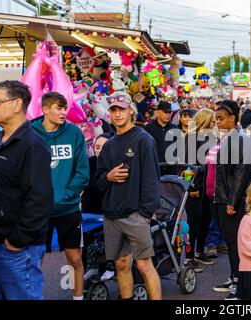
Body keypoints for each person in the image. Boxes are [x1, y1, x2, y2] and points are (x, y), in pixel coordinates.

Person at [96, 91, 162, 300]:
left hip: (136, 214)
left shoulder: (144, 139)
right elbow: (98, 181)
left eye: (121, 109)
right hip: (112, 215)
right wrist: (109, 176)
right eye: (113, 110)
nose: (117, 114)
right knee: (121, 264)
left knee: (144, 265)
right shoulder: (109, 145)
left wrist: (145, 213)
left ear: (131, 110)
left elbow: (152, 179)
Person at [0, 81, 53, 300]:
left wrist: (16, 241)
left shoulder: (32, 145)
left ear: (17, 104)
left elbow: (40, 200)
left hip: (17, 249)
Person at [31, 92, 89, 301]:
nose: (64, 112)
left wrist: (67, 195)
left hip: (68, 208)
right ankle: (34, 296)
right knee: (35, 260)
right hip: (38, 209)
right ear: (45, 110)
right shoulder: (30, 132)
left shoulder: (74, 133)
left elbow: (83, 171)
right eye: (58, 108)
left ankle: (78, 297)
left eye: (65, 108)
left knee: (75, 258)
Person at [211, 100, 251, 300]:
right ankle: (233, 276)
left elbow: (242, 173)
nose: (217, 121)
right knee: (230, 242)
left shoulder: (241, 140)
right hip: (220, 198)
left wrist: (232, 201)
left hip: (231, 200)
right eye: (216, 118)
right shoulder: (227, 138)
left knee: (236, 242)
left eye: (221, 118)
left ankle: (240, 283)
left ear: (232, 118)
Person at [182, 109, 217, 272]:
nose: (214, 124)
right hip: (195, 187)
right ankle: (188, 259)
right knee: (193, 224)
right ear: (204, 121)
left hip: (207, 187)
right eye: (212, 121)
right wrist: (193, 187)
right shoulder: (191, 138)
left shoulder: (211, 137)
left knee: (205, 220)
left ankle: (199, 252)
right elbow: (188, 165)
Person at [82, 132, 116, 282]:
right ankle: (90, 270)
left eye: (104, 147)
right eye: (97, 146)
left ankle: (110, 266)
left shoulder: (116, 164)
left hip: (108, 211)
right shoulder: (88, 163)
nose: (99, 150)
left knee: (107, 240)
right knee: (88, 243)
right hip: (89, 211)